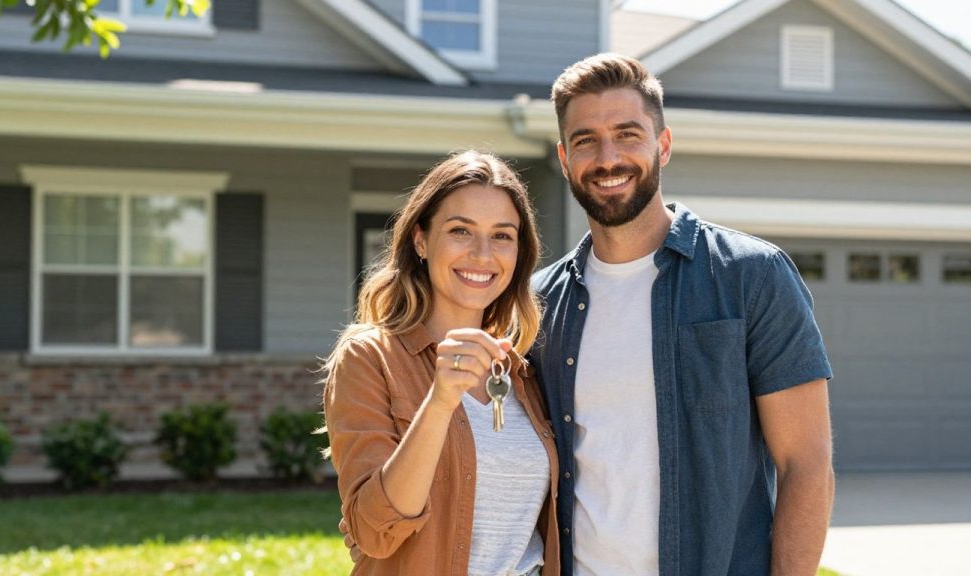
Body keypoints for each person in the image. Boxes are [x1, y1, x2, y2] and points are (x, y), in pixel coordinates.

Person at [529, 53, 835, 576]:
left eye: (628, 134)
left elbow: (806, 466)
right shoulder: (539, 302)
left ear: (662, 145)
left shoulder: (752, 277)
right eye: (586, 140)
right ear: (563, 158)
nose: (608, 158)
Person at [323, 150, 560, 575]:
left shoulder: (523, 370)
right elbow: (374, 532)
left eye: (502, 235)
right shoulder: (369, 358)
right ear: (420, 240)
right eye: (460, 231)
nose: (482, 254)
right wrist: (439, 401)